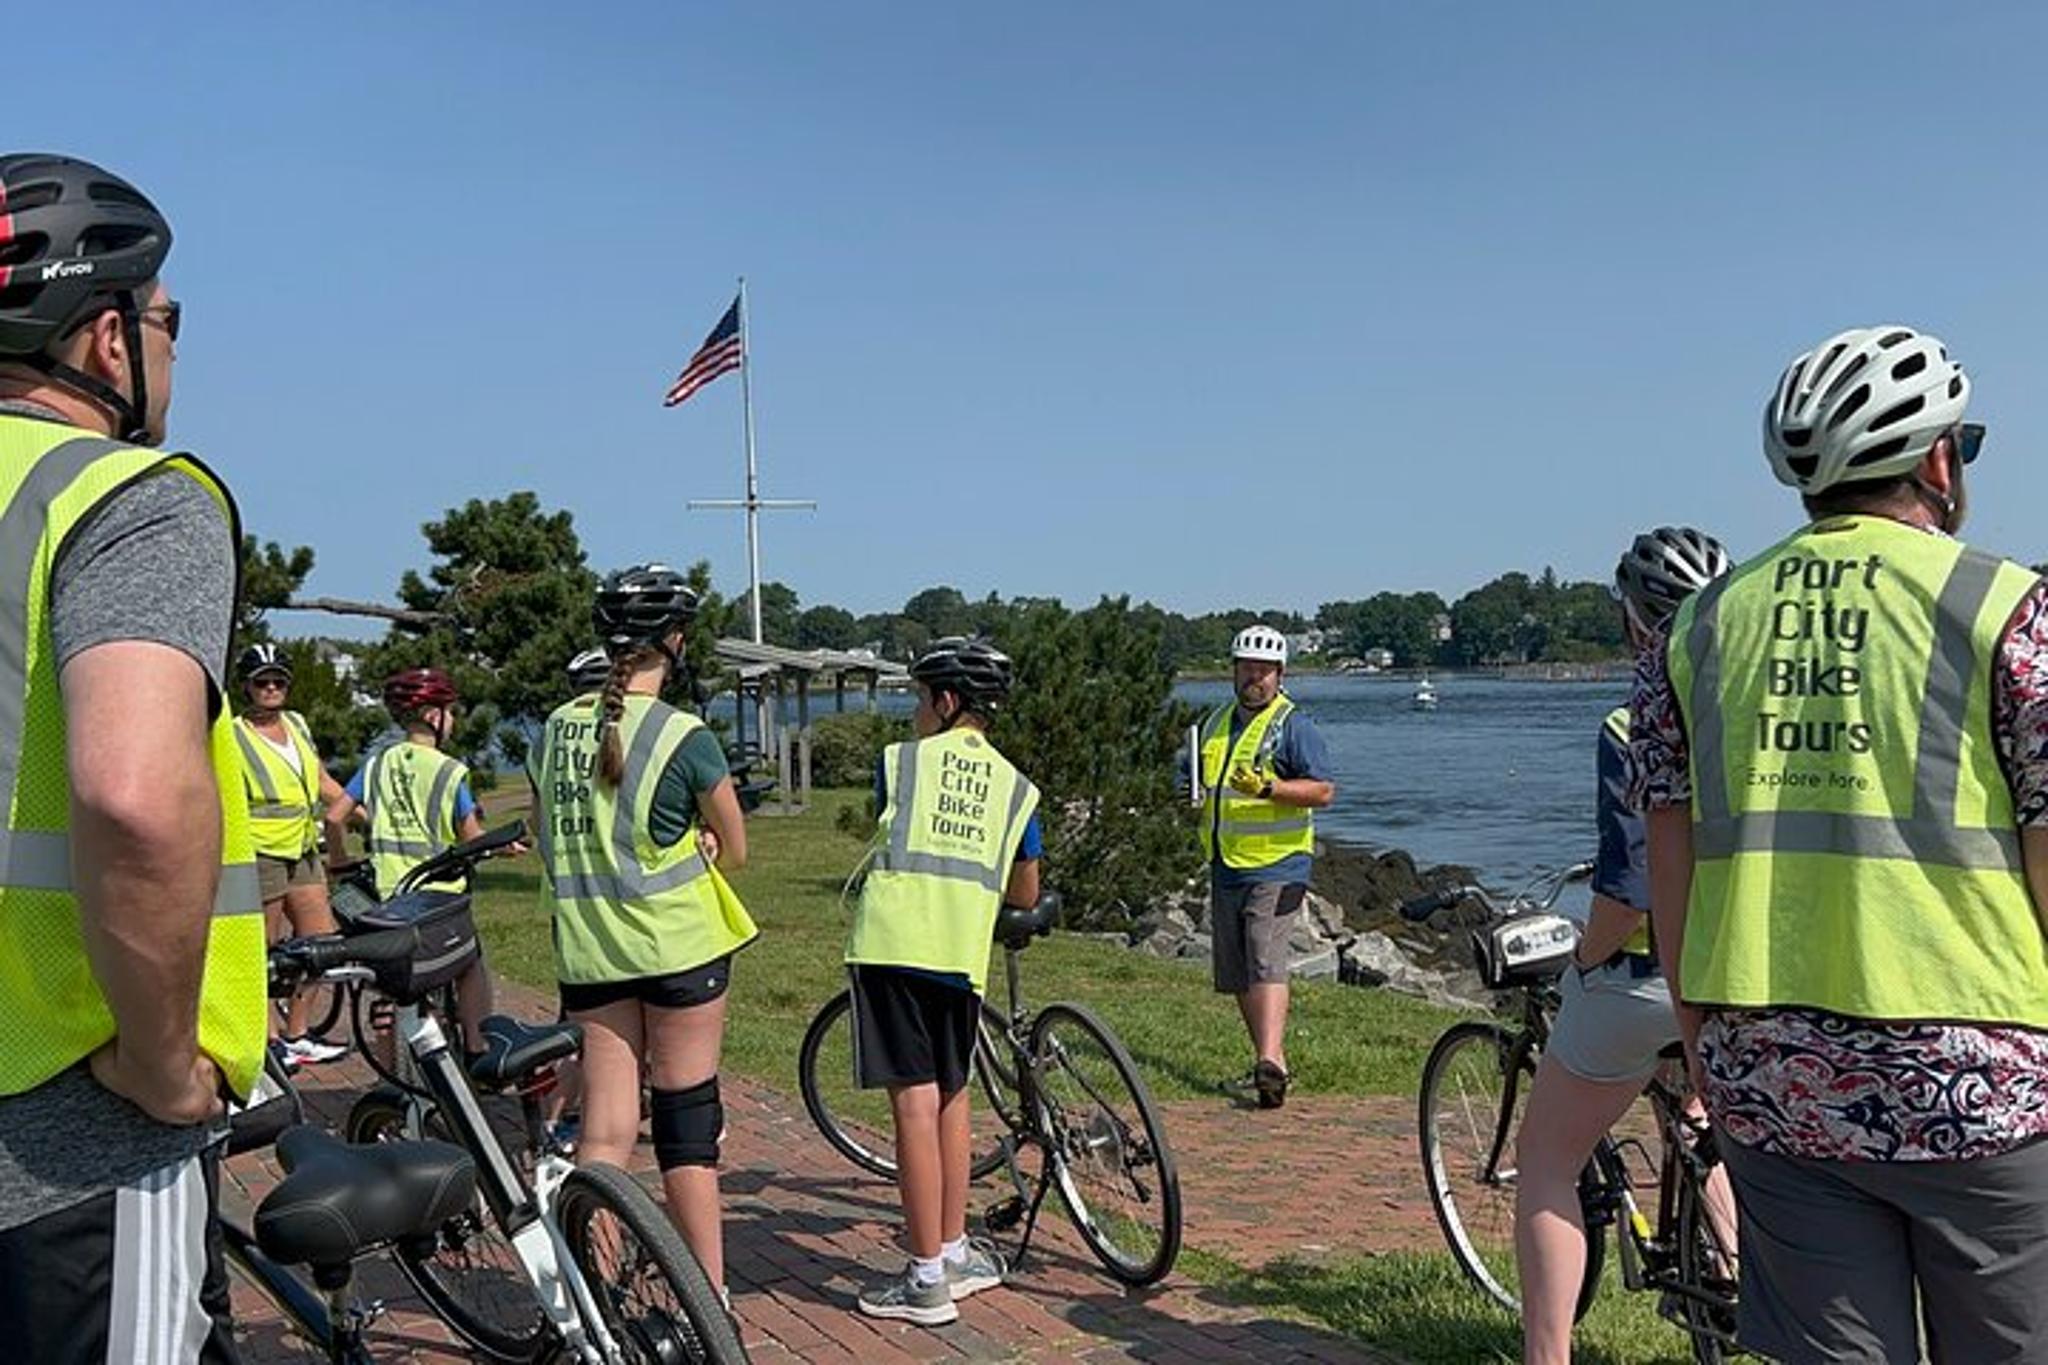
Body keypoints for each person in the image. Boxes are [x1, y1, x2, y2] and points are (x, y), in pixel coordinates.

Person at [1636, 325, 2048, 1363]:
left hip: (1773, 1070)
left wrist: (1703, 1047)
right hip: (1981, 1071)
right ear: (1937, 460)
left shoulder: (1696, 627)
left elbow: (1669, 870)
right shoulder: (2005, 611)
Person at [0, 152, 265, 1362]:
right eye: (167, 319)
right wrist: (162, 1064)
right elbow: (135, 796)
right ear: (107, 337)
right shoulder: (124, 496)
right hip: (72, 1146)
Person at [1513, 527, 1733, 1365]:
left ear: (1636, 624)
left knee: (1546, 1161)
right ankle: (1729, 1266)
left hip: (1649, 972)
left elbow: (1627, 887)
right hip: (1739, 970)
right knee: (1698, 1109)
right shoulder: (1754, 711)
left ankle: (1547, 1356)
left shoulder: (1629, 717)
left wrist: (1584, 962)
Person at [534, 565, 757, 1298]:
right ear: (677, 641)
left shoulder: (555, 730)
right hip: (679, 948)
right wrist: (702, 842)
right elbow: (737, 845)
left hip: (592, 953)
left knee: (604, 1131)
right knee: (688, 1125)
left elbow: (550, 835)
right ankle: (709, 1301)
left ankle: (597, 1305)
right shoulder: (683, 735)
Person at [851, 637, 1043, 1327]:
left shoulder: (899, 763)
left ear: (946, 700)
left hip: (895, 946)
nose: (912, 710)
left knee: (912, 1104)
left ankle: (925, 1277)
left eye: (918, 697)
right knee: (953, 1095)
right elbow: (1025, 885)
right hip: (962, 956)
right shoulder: (1018, 786)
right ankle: (954, 1248)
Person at [1196, 623, 1335, 1109]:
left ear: (1279, 674)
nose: (1254, 678)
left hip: (1278, 863)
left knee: (1264, 953)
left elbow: (1322, 791)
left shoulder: (1293, 726)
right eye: (1246, 668)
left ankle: (1272, 1060)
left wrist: (1270, 789)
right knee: (1236, 970)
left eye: (1264, 670)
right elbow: (1195, 780)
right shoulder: (1213, 723)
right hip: (1225, 860)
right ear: (1233, 671)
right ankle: (1267, 1061)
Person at [323, 666, 496, 1051]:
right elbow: (473, 838)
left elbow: (334, 817)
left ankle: (389, 1080)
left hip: (389, 898)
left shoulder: (377, 763)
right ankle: (477, 1045)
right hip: (439, 898)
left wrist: (339, 863)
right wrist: (500, 846)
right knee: (470, 964)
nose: (452, 720)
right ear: (434, 716)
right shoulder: (450, 771)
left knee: (390, 985)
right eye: (450, 712)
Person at [231, 642, 348, 1066]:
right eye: (262, 681)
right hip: (260, 850)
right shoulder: (233, 732)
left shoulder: (296, 723)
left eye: (279, 680)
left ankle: (299, 1033)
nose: (272, 688)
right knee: (262, 951)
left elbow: (320, 780)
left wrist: (363, 812)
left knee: (320, 942)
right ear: (246, 687)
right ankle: (268, 1038)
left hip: (303, 846)